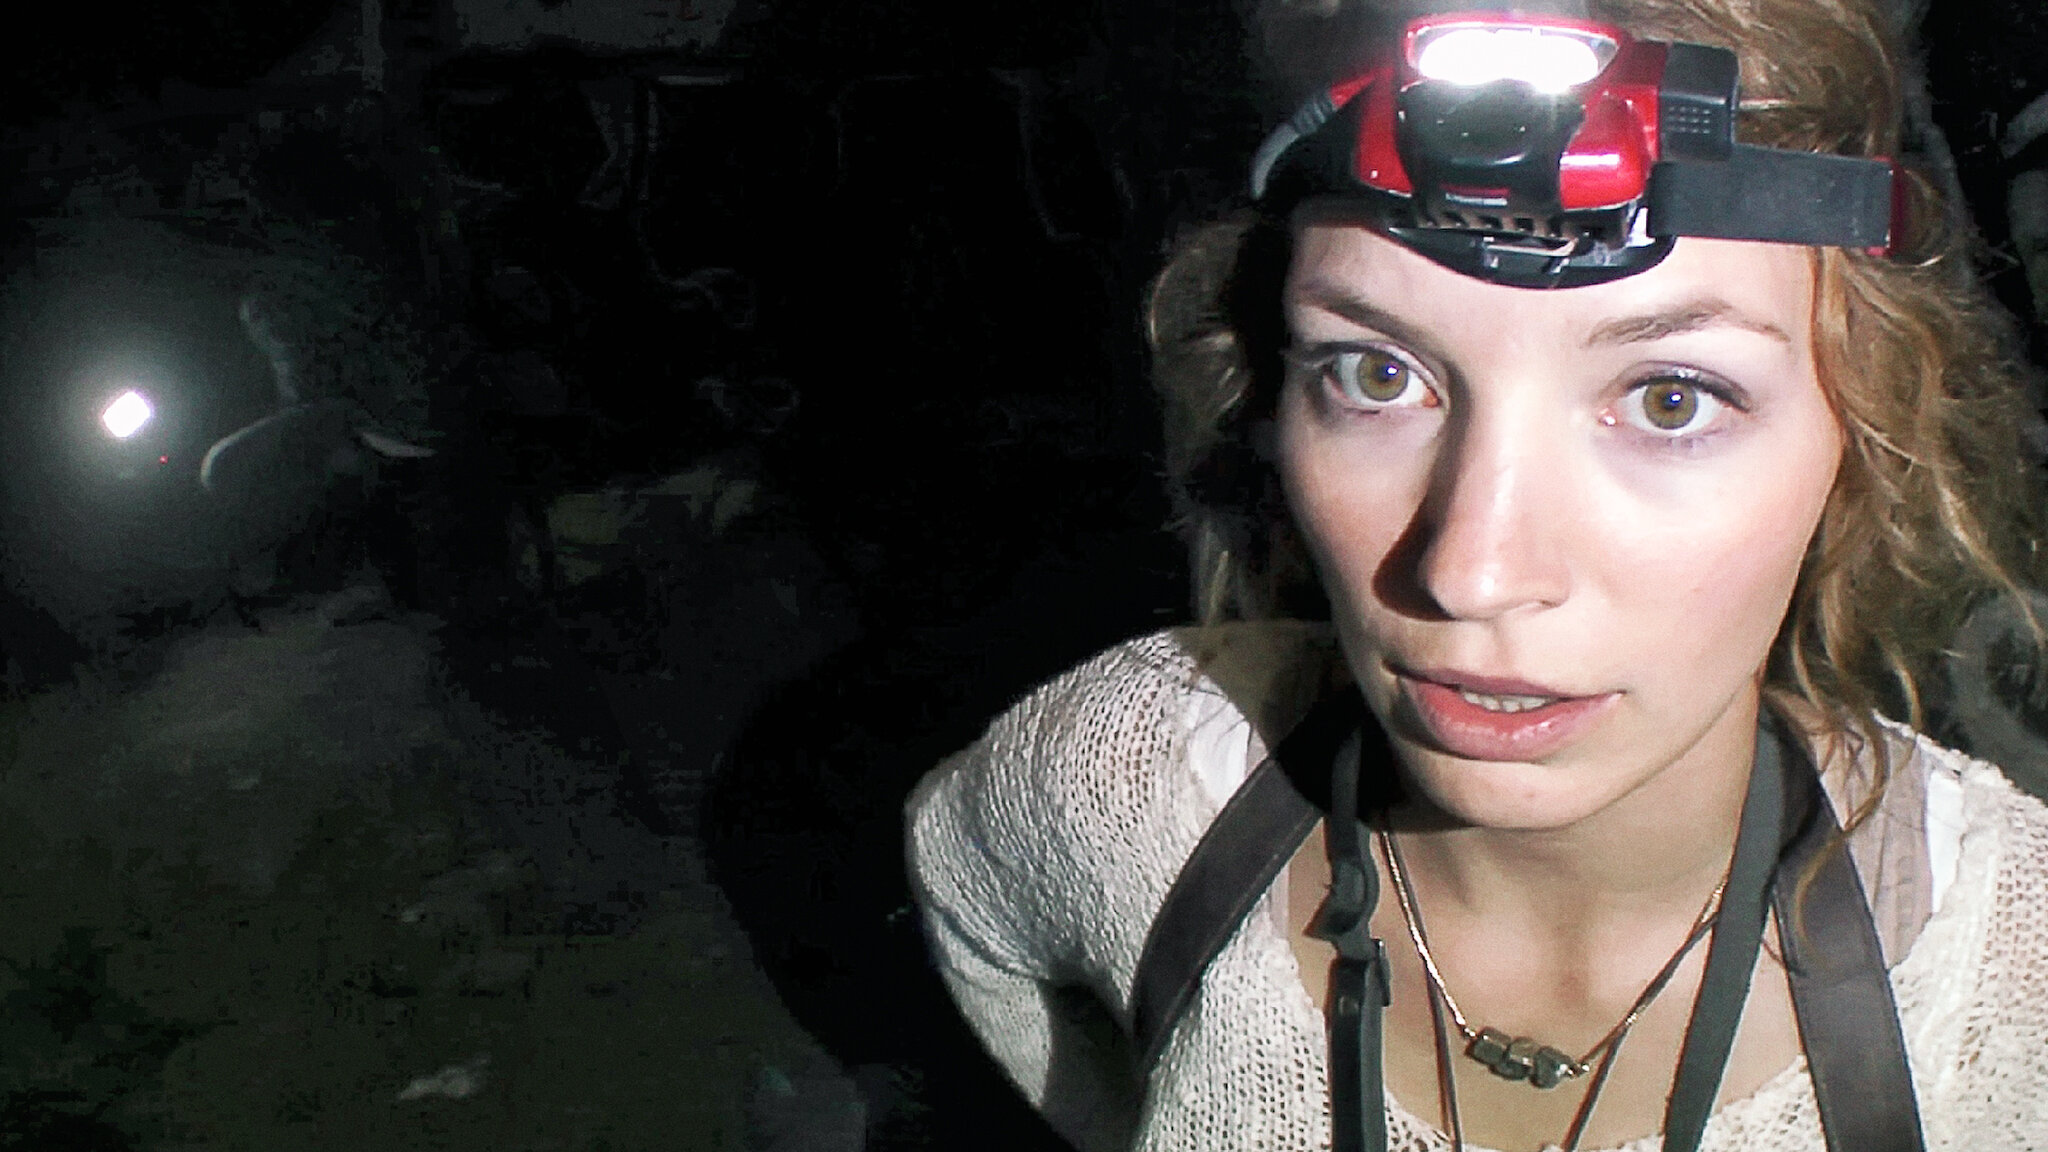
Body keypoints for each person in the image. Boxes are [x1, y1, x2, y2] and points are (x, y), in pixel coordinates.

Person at [904, 0, 2048, 1149]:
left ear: (1866, 432)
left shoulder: (2017, 992)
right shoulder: (1115, 783)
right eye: (1374, 375)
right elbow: (974, 910)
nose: (1470, 574)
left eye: (1670, 399)